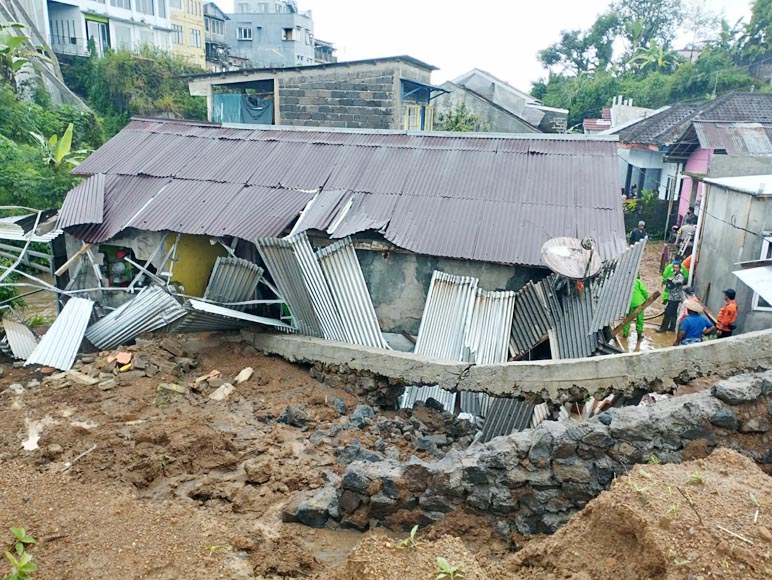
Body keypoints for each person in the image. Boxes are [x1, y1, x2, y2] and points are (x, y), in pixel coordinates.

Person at [657, 260, 685, 332]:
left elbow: (679, 283)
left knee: (667, 313)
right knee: (673, 313)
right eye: (674, 267)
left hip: (675, 298)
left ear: (679, 268)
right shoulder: (674, 274)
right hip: (672, 297)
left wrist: (671, 280)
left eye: (677, 268)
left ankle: (663, 328)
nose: (675, 269)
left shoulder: (680, 276)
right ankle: (672, 328)